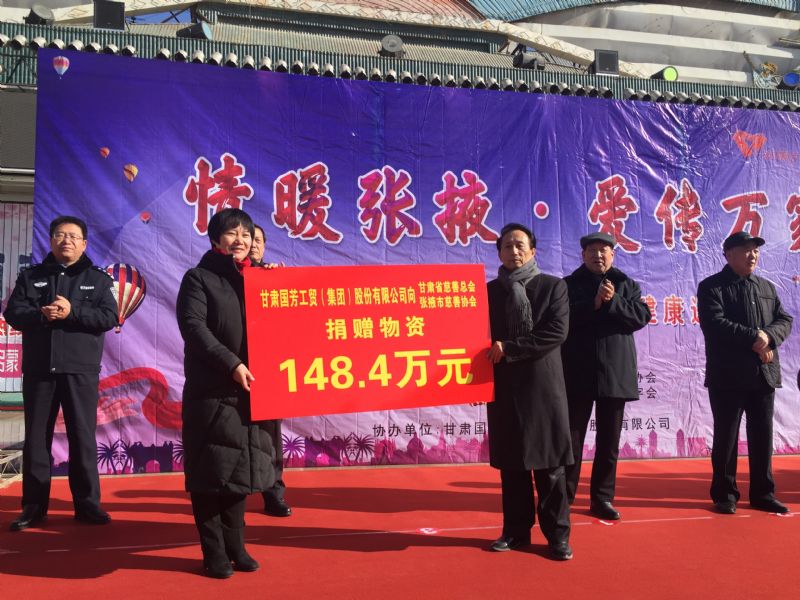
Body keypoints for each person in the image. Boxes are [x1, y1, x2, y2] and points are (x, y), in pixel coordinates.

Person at [176, 208, 275, 578]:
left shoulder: (258, 280)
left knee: (239, 474)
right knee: (210, 474)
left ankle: (237, 547)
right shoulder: (198, 278)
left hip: (252, 392)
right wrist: (231, 363)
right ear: (216, 238)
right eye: (232, 233)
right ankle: (213, 552)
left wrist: (279, 285)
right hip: (213, 393)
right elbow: (194, 327)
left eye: (246, 234)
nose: (240, 240)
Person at [4, 216, 118, 531]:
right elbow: (13, 313)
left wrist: (72, 312)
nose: (66, 240)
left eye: (73, 236)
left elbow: (109, 317)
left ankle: (87, 505)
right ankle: (33, 507)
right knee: (36, 438)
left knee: (82, 436)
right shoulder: (32, 276)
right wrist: (41, 314)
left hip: (81, 370)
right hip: (40, 370)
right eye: (59, 235)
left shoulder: (98, 279)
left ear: (84, 243)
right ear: (52, 240)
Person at [486, 222, 574, 560]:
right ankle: (515, 532)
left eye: (520, 245)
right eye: (507, 246)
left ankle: (558, 537)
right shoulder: (488, 292)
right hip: (504, 388)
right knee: (512, 467)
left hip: (543, 387)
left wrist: (509, 347)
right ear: (499, 253)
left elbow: (556, 332)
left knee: (550, 467)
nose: (514, 251)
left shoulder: (553, 287)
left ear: (533, 251)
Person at [697, 231, 792, 515]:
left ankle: (763, 493)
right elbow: (715, 324)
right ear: (729, 255)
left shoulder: (766, 287)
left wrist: (769, 337)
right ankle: (725, 494)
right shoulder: (712, 287)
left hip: (763, 373)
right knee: (726, 437)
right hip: (728, 375)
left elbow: (784, 319)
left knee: (762, 435)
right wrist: (755, 338)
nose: (753, 255)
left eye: (756, 250)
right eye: (746, 250)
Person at [561, 232, 650, 521]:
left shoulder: (626, 284)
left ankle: (602, 498)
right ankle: (563, 497)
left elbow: (641, 316)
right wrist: (594, 304)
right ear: (583, 255)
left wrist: (613, 302)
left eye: (604, 250)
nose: (598, 255)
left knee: (609, 441)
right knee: (572, 439)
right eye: (592, 250)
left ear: (613, 254)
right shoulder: (568, 285)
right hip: (577, 371)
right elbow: (562, 319)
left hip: (614, 372)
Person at [249, 224, 291, 518]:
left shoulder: (272, 278)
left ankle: (273, 493)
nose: (252, 244)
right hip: (234, 367)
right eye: (246, 237)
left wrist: (281, 283)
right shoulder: (222, 279)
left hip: (267, 369)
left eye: (258, 240)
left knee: (270, 439)